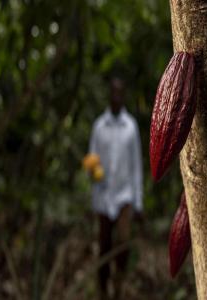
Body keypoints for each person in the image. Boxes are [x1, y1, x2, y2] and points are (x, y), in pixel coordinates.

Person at [88, 78, 143, 300]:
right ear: (109, 94)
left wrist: (138, 203)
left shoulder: (131, 127)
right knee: (104, 247)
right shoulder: (99, 127)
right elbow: (92, 161)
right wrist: (93, 172)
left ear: (124, 96)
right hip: (103, 197)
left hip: (124, 197)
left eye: (121, 93)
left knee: (122, 245)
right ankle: (102, 290)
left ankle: (118, 288)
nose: (117, 97)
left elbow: (136, 165)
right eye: (114, 92)